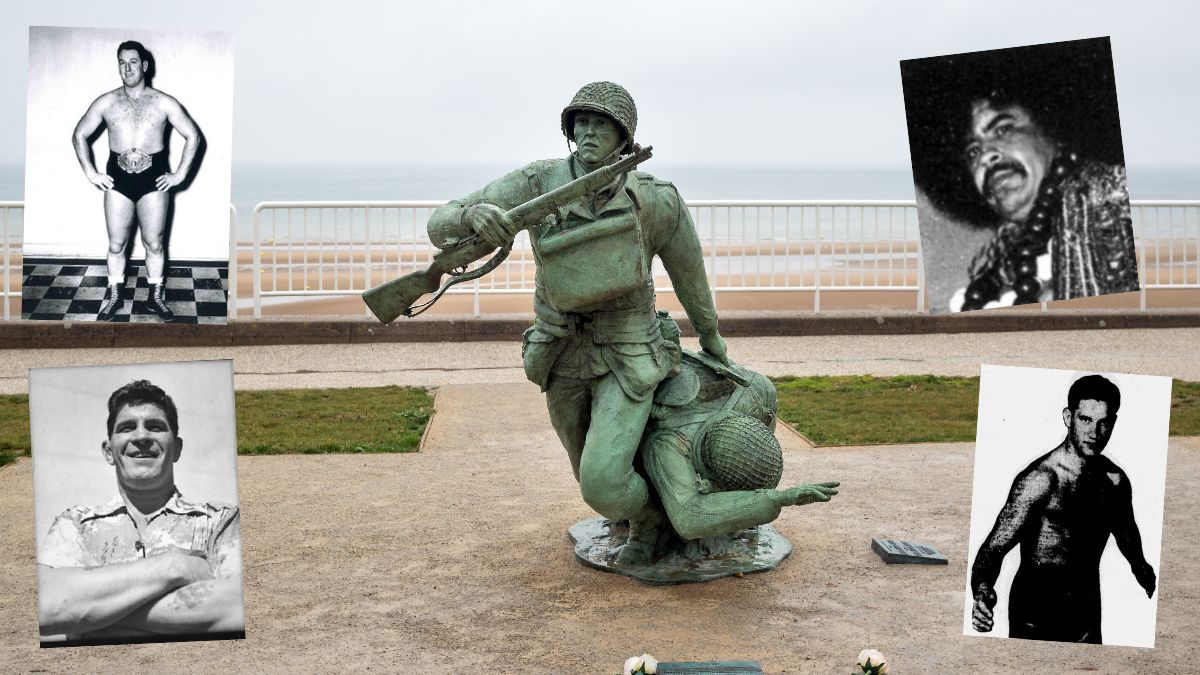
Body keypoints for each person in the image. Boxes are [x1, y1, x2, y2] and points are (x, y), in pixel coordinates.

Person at [425, 82, 727, 563]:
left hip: (628, 350)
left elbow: (689, 272)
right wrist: (473, 214)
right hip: (559, 350)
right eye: (581, 123)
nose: (588, 132)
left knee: (602, 482)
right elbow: (441, 222)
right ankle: (641, 510)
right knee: (583, 468)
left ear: (624, 137)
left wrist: (710, 336)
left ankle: (651, 522)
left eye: (600, 124)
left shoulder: (655, 199)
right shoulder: (538, 181)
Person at [900, 39, 1138, 312]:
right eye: (973, 151)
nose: (986, 156)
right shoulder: (997, 263)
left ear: (1053, 129)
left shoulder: (1118, 202)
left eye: (1002, 130)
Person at [37, 380, 242, 643]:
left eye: (155, 427)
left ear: (177, 448)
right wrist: (175, 566)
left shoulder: (221, 520)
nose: (142, 437)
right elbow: (47, 606)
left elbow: (236, 607)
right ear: (109, 451)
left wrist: (89, 617)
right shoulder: (74, 524)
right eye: (127, 427)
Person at [970, 375, 1156, 643]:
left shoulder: (1114, 481)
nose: (1094, 432)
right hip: (1034, 618)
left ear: (1113, 423)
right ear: (1069, 417)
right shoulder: (1040, 480)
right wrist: (982, 591)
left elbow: (1126, 531)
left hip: (1086, 616)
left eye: (1103, 423)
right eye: (1086, 420)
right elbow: (993, 550)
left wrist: (1141, 567)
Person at [635, 351, 838, 559]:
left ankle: (730, 513)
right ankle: (644, 526)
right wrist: (774, 499)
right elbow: (688, 517)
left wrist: (752, 503)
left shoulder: (758, 392)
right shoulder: (668, 444)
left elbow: (767, 423)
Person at [71, 40, 202, 322]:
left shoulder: (164, 102)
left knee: (154, 243)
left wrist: (179, 174)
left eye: (132, 61)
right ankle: (114, 295)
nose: (127, 68)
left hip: (153, 181)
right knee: (116, 244)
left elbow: (193, 135)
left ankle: (155, 297)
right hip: (117, 182)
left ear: (144, 65)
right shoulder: (106, 102)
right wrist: (91, 172)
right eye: (122, 62)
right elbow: (79, 134)